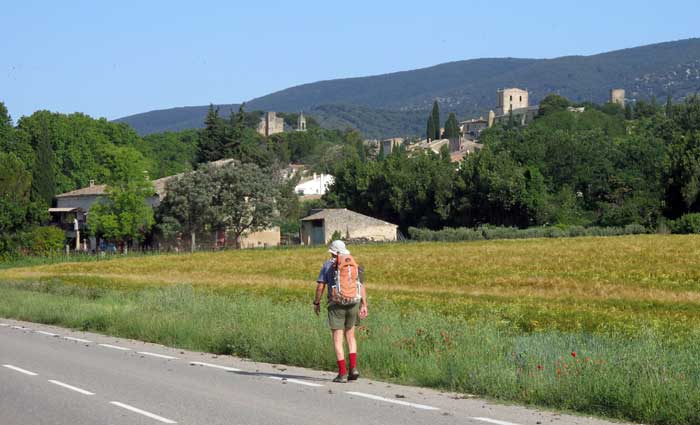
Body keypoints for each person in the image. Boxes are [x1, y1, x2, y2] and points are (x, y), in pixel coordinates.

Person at [314, 240, 368, 383]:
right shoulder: (353, 264)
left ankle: (342, 373)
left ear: (333, 252)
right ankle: (354, 369)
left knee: (338, 339)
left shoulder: (327, 265)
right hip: (353, 303)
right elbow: (360, 286)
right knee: (350, 337)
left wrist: (317, 302)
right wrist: (364, 304)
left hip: (336, 304)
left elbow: (320, 287)